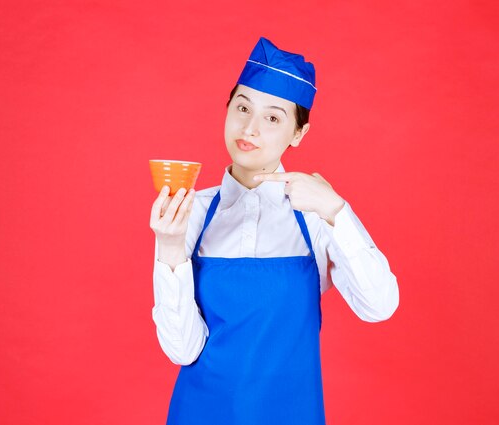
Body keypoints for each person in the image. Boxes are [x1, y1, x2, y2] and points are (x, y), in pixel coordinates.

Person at [150, 36, 399, 425]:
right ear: (228, 108)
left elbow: (379, 306)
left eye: (272, 118)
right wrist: (168, 244)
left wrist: (337, 210)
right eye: (243, 107)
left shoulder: (317, 213)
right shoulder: (190, 211)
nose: (249, 128)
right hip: (199, 413)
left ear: (298, 134)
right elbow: (182, 349)